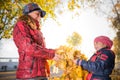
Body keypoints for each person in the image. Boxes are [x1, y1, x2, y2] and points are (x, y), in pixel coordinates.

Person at [13, 3, 59, 80]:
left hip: (42, 74)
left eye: (40, 15)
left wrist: (56, 55)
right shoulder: (20, 25)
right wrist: (52, 53)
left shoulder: (38, 31)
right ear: (27, 14)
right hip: (28, 75)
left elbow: (41, 51)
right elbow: (28, 47)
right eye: (37, 14)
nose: (39, 17)